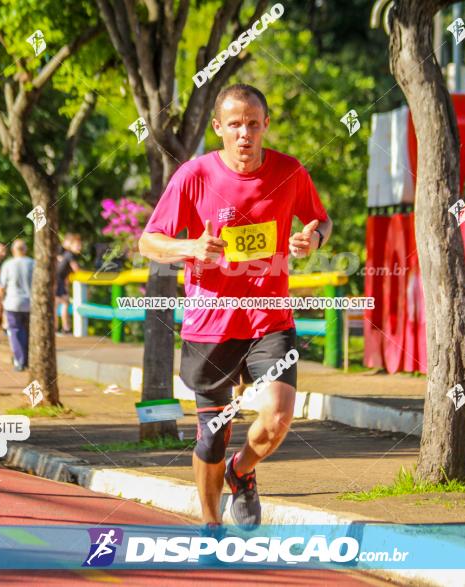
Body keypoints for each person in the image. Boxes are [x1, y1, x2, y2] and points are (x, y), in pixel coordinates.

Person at [138, 84, 331, 529]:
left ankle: (240, 471)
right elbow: (148, 241)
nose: (244, 133)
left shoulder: (289, 171)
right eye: (234, 124)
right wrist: (191, 246)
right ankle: (210, 524)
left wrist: (315, 236)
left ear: (265, 124)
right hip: (211, 325)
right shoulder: (193, 175)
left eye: (252, 123)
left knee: (279, 416)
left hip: (269, 318)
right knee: (212, 437)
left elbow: (321, 218)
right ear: (218, 128)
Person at [0, 239, 34, 372]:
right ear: (25, 250)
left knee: (15, 331)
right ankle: (28, 359)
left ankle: (20, 361)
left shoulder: (8, 264)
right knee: (28, 331)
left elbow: (1, 287)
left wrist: (1, 303)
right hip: (30, 303)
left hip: (12, 303)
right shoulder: (33, 263)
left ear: (13, 250)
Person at [55, 233, 81, 334]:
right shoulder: (69, 254)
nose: (80, 247)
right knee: (59, 304)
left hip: (60, 280)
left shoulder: (66, 253)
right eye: (77, 245)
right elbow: (76, 269)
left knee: (64, 303)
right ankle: (60, 328)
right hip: (57, 280)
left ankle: (63, 328)